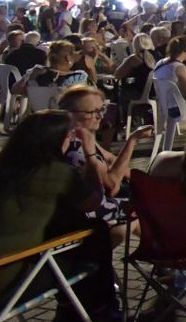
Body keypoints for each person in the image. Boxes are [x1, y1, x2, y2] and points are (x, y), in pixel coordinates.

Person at [0, 110, 120, 322]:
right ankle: (102, 315)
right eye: (68, 138)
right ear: (54, 141)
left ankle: (71, 320)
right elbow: (94, 201)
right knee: (95, 236)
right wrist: (91, 153)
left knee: (68, 232)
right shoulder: (54, 173)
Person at [58, 85, 151, 245]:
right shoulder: (76, 147)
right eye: (91, 112)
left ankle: (165, 254)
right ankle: (167, 253)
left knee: (146, 198)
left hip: (87, 205)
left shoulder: (80, 134)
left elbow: (110, 158)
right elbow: (112, 186)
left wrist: (145, 181)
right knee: (147, 206)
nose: (100, 116)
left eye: (102, 109)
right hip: (84, 211)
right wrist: (132, 141)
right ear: (70, 115)